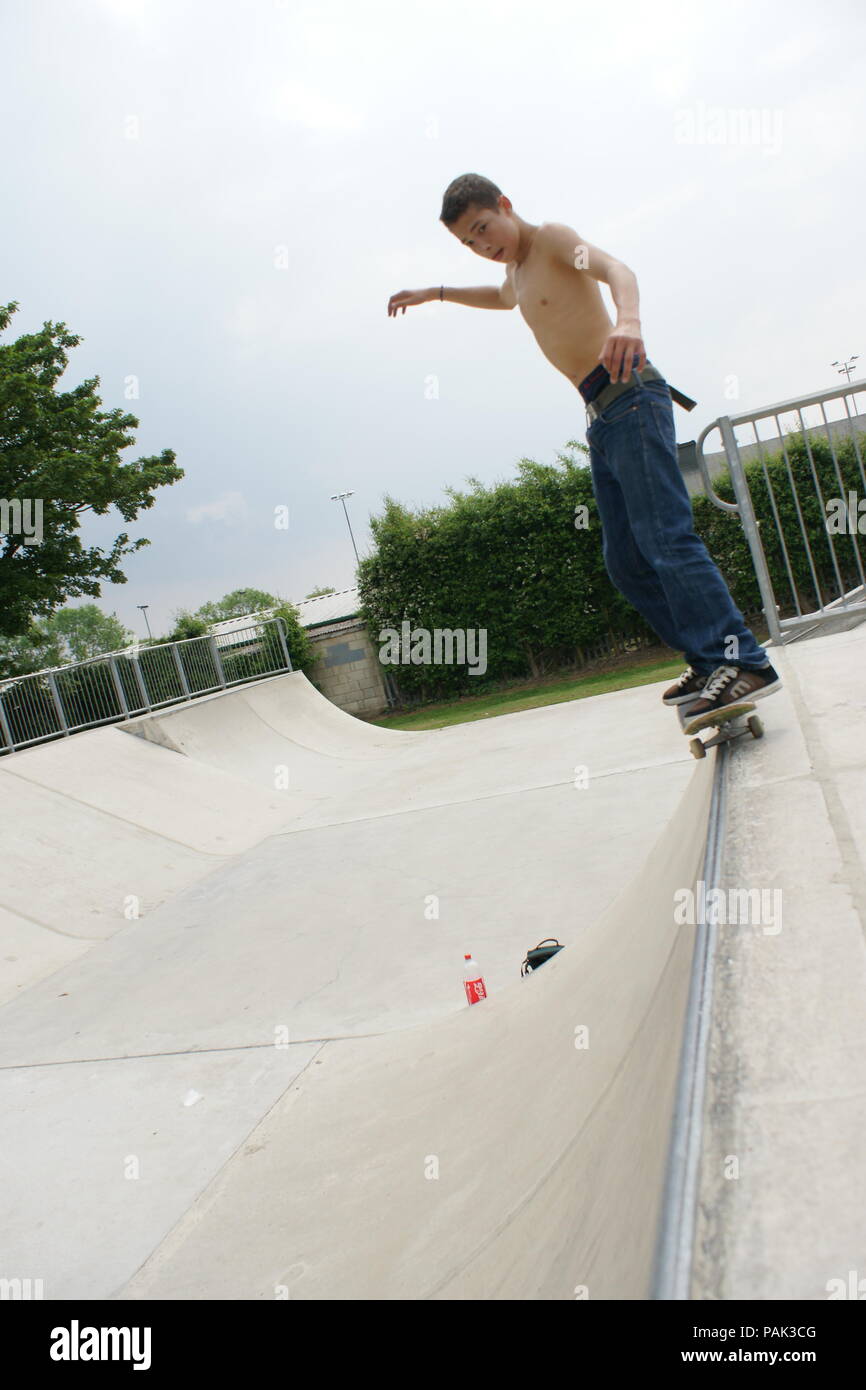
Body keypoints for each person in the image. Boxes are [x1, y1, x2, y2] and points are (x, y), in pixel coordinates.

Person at [387, 172, 781, 716]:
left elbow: (616, 268)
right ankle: (706, 658)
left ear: (504, 204)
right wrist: (436, 292)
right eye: (469, 243)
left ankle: (745, 662)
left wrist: (631, 321)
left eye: (483, 228)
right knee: (625, 560)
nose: (483, 246)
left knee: (666, 539)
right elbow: (502, 298)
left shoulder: (550, 239)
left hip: (633, 397)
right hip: (602, 416)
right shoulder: (517, 271)